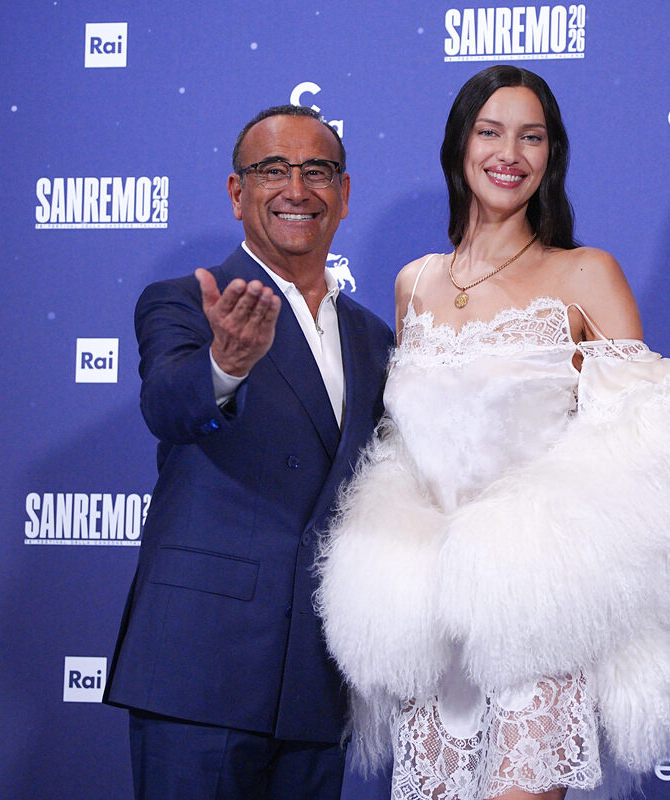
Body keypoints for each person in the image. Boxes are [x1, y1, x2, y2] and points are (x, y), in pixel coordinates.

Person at [316, 66, 670, 800]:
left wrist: (532, 556)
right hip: (434, 625)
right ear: (460, 146)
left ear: (551, 155)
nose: (509, 153)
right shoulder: (415, 283)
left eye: (531, 137)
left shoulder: (587, 275)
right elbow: (407, 447)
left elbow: (643, 453)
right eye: (491, 132)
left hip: (537, 621)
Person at [105, 104, 393, 800]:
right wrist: (225, 365)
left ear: (344, 194)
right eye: (272, 170)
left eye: (317, 171)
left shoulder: (375, 338)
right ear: (238, 193)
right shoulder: (185, 302)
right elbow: (168, 405)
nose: (297, 189)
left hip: (318, 683)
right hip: (201, 670)